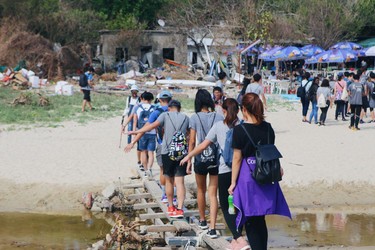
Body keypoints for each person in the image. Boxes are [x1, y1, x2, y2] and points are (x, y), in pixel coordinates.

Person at [180, 98, 250, 249]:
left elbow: (204, 144)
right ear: (238, 111)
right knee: (240, 205)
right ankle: (237, 237)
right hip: (242, 171)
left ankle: (239, 239)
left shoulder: (219, 126)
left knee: (226, 206)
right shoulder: (244, 126)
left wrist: (188, 156)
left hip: (225, 170)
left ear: (223, 111)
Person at [228, 93, 291, 250]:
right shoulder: (268, 128)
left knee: (250, 218)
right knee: (260, 218)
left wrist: (233, 182)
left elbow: (236, 158)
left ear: (244, 109)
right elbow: (270, 151)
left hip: (247, 177)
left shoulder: (239, 130)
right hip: (266, 174)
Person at [128, 100, 190, 218]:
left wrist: (135, 132)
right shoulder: (186, 118)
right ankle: (180, 209)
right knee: (180, 183)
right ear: (179, 108)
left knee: (169, 181)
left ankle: (171, 207)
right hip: (181, 153)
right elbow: (189, 135)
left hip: (167, 152)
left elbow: (151, 126)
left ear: (169, 108)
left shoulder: (164, 115)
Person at [187, 89, 224, 238]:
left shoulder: (194, 117)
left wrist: (189, 159)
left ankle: (202, 220)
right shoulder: (219, 116)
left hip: (200, 159)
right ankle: (213, 227)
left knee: (201, 190)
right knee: (213, 193)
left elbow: (192, 140)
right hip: (215, 159)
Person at [125, 90, 173, 202]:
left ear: (159, 100)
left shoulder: (157, 112)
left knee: (163, 170)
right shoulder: (177, 112)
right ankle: (174, 196)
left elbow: (147, 127)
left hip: (162, 145)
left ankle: (165, 195)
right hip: (177, 146)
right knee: (174, 172)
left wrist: (133, 140)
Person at [133, 92, 155, 178]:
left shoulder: (138, 108)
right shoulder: (154, 108)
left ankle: (145, 170)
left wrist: (135, 132)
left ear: (142, 98)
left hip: (141, 132)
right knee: (151, 153)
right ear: (151, 99)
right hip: (152, 132)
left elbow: (135, 121)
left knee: (143, 152)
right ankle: (150, 169)